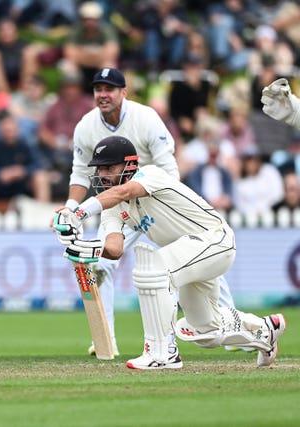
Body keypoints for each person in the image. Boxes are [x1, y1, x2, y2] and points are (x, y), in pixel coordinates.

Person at [53, 135, 286, 369]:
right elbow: (115, 249)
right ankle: (264, 330)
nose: (102, 175)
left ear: (130, 165)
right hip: (188, 257)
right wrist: (86, 247)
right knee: (206, 330)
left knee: (154, 268)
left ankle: (162, 352)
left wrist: (77, 214)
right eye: (99, 169)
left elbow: (123, 193)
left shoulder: (149, 175)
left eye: (108, 168)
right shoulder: (111, 208)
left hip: (215, 240)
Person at [53, 67, 236, 357]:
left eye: (109, 89)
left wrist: (165, 203)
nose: (103, 95)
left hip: (156, 196)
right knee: (102, 266)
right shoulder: (86, 127)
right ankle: (106, 340)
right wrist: (71, 210)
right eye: (98, 89)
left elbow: (168, 166)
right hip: (120, 205)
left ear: (123, 92)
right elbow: (80, 175)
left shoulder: (146, 118)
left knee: (198, 261)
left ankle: (231, 327)